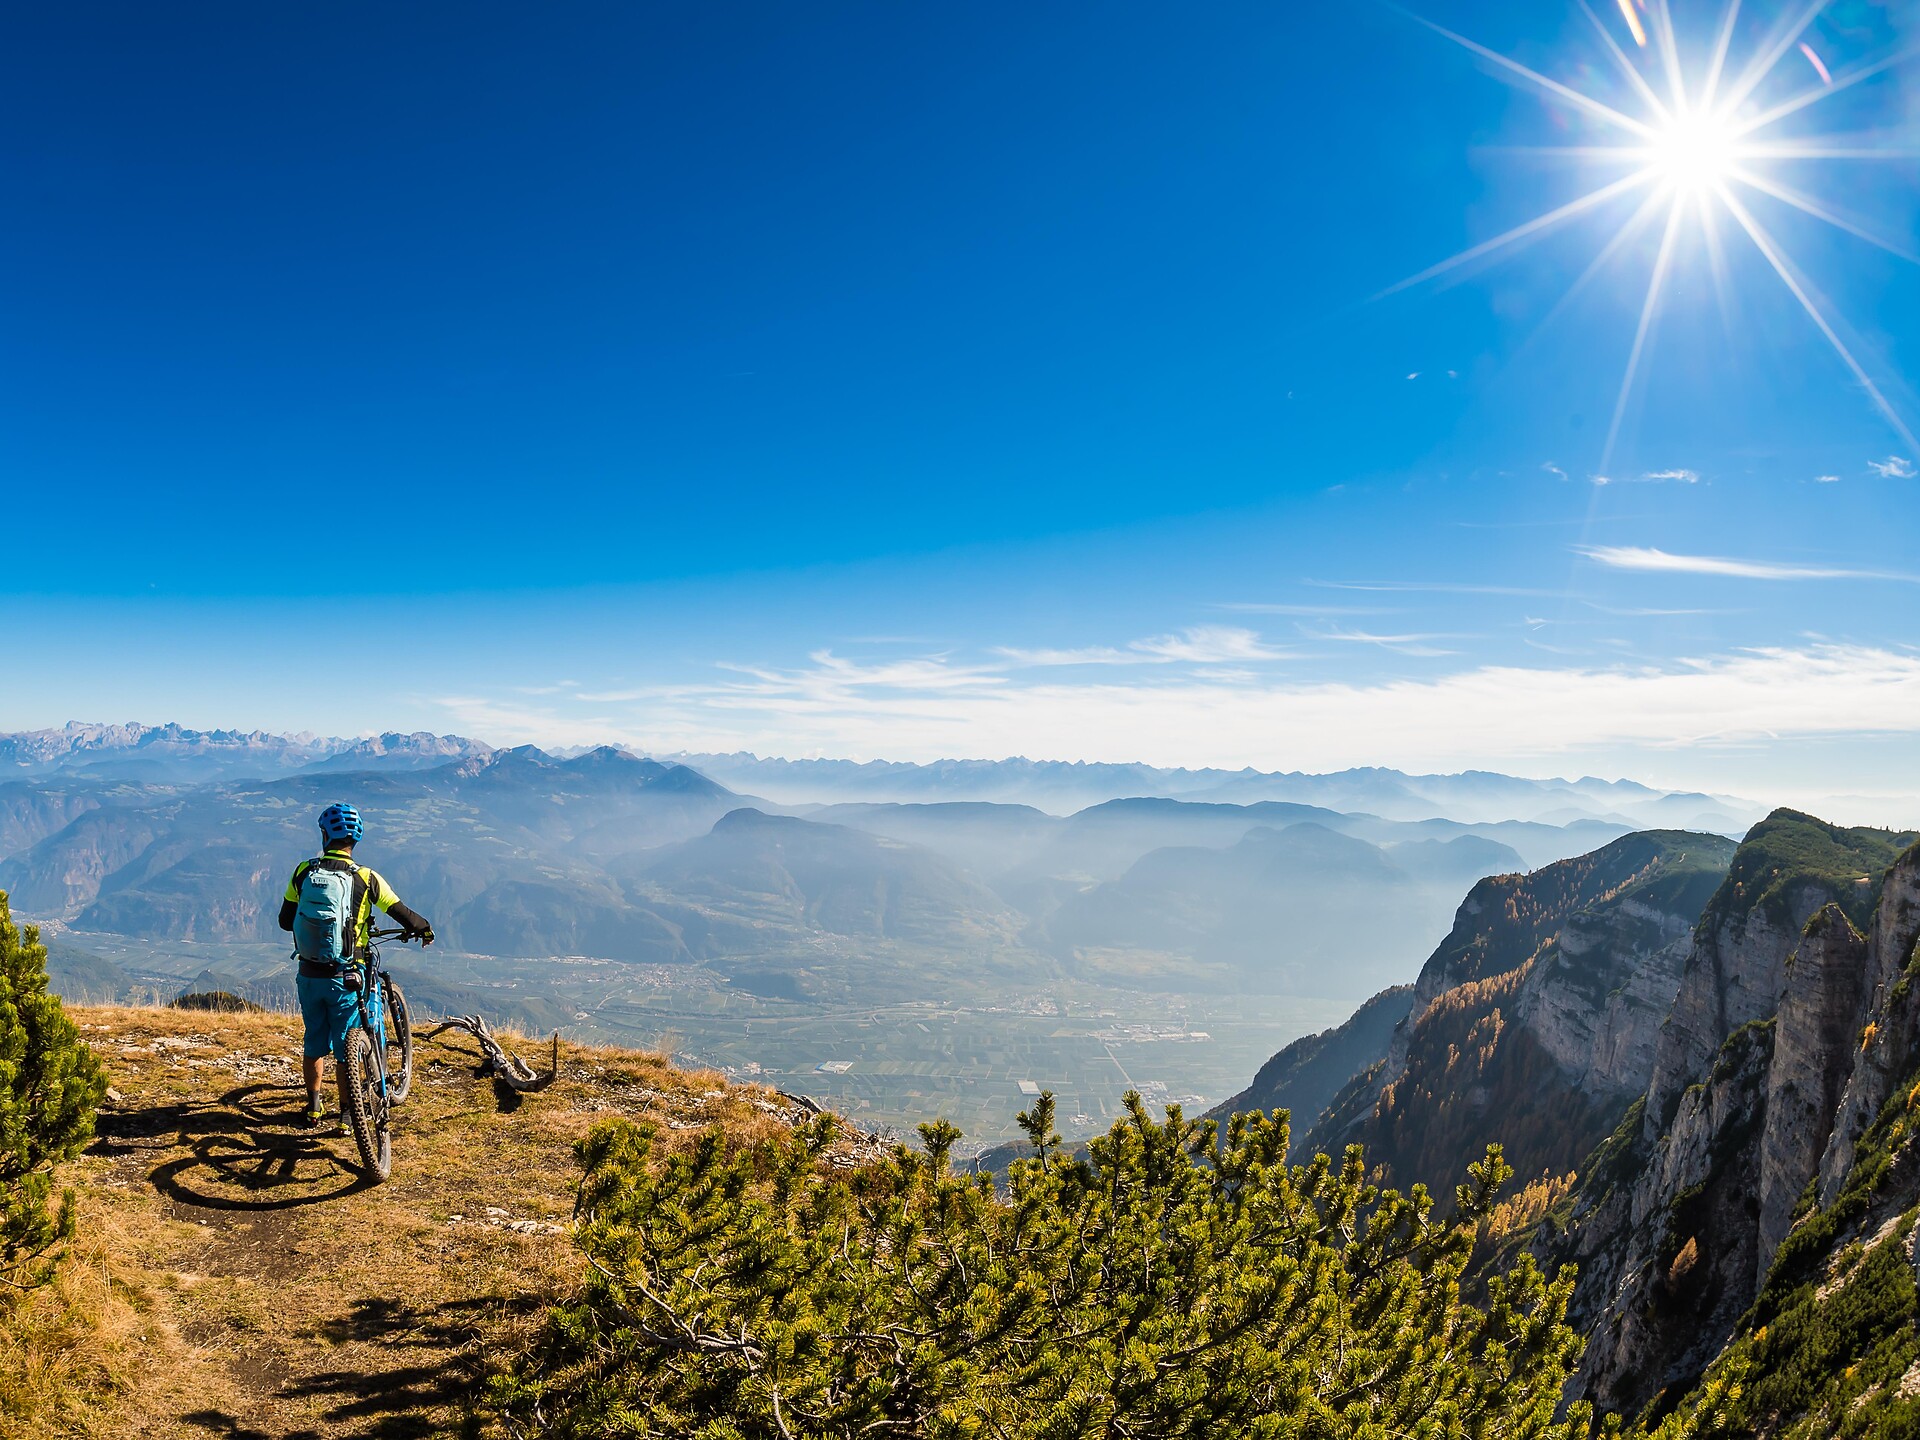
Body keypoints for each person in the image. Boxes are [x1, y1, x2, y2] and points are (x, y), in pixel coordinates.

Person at [277, 802, 435, 1130]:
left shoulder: (303, 872)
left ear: (324, 835)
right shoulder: (366, 878)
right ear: (356, 840)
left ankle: (314, 1108)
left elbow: (284, 921)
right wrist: (424, 928)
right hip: (346, 976)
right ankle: (348, 1113)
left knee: (314, 1041)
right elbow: (401, 912)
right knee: (346, 1044)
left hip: (308, 974)